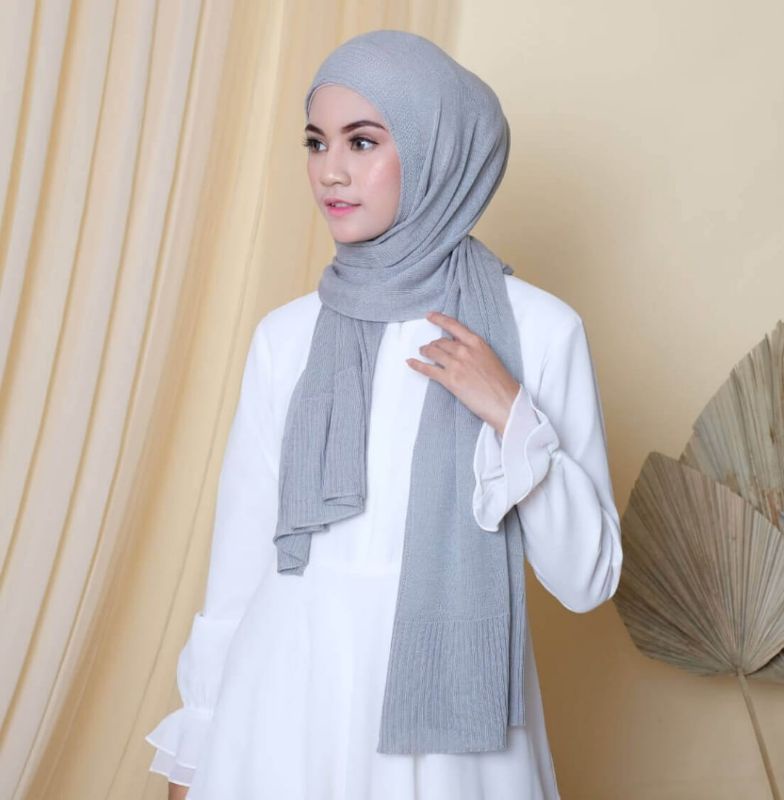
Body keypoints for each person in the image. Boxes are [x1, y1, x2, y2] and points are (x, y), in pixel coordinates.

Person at [145, 29, 622, 800]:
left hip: (451, 731)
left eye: (362, 141)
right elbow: (239, 563)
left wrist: (512, 416)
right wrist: (198, 743)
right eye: (316, 141)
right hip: (284, 710)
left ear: (438, 151)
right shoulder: (286, 337)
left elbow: (587, 579)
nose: (330, 170)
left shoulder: (538, 330)